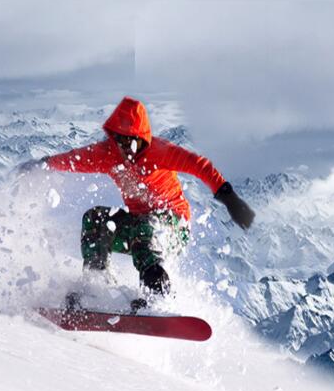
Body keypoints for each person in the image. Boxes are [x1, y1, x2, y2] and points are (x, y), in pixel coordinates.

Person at [22, 97, 254, 301]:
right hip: (138, 228)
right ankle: (96, 284)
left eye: (132, 142)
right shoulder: (108, 154)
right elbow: (76, 159)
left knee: (146, 226)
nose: (126, 149)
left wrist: (230, 199)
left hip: (174, 227)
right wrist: (43, 163)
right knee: (95, 218)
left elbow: (200, 166)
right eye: (121, 142)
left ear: (142, 138)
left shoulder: (159, 152)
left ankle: (158, 296)